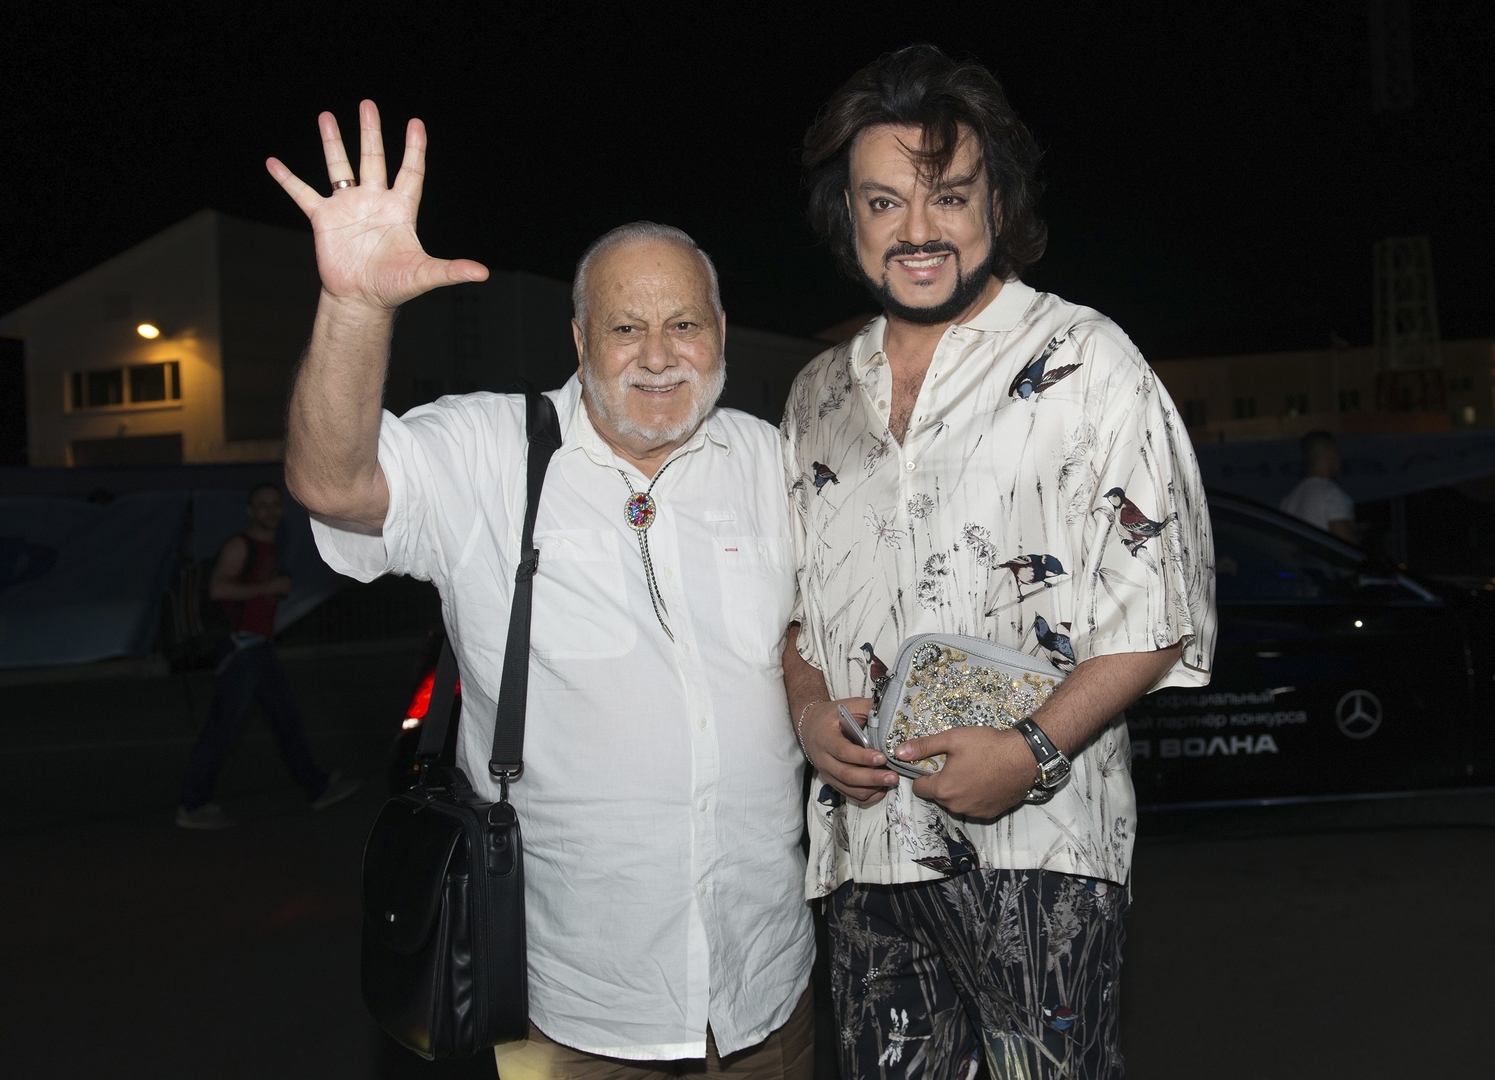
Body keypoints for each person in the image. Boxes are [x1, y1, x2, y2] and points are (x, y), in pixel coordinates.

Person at [267, 103, 814, 1077]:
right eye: (625, 327)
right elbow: (334, 485)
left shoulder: (771, 460)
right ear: (578, 337)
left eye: (684, 325)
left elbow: (806, 632)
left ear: (721, 332)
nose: (658, 355)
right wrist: (355, 307)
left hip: (765, 993)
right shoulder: (488, 451)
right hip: (569, 1010)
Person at [780, 47, 1218, 1079]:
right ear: (848, 219)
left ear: (996, 202)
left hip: (1039, 847)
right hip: (863, 852)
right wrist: (807, 711)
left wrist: (1030, 749)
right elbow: (792, 613)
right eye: (883, 202)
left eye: (948, 196)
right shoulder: (814, 397)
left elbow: (1162, 609)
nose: (917, 229)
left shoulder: (1087, 360)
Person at [176, 483, 361, 829]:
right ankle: (192, 805)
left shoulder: (270, 547)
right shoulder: (240, 545)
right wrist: (269, 587)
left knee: (286, 722)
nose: (270, 510)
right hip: (242, 651)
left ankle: (317, 787)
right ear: (251, 511)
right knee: (222, 730)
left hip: (257, 649)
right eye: (262, 505)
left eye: (275, 504)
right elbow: (218, 588)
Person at [1280, 430, 1357, 543]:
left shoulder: (1288, 500)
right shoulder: (1331, 494)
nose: (1339, 456)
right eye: (1337, 450)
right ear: (1329, 452)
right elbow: (1345, 543)